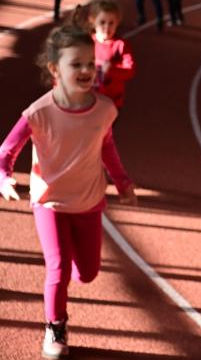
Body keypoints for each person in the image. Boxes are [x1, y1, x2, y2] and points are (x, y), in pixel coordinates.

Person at [0, 24, 137, 359]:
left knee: (87, 273)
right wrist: (4, 178)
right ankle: (55, 326)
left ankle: (70, 269)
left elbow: (108, 148)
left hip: (89, 203)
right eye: (76, 64)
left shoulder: (104, 110)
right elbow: (6, 151)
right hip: (49, 203)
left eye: (91, 63)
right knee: (58, 268)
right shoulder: (38, 113)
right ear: (54, 69)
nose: (87, 70)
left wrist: (122, 181)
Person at [86, 0, 136, 111]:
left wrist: (111, 70)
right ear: (93, 21)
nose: (107, 27)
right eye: (102, 22)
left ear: (117, 23)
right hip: (89, 99)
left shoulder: (120, 45)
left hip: (112, 101)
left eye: (111, 23)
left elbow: (130, 70)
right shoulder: (87, 43)